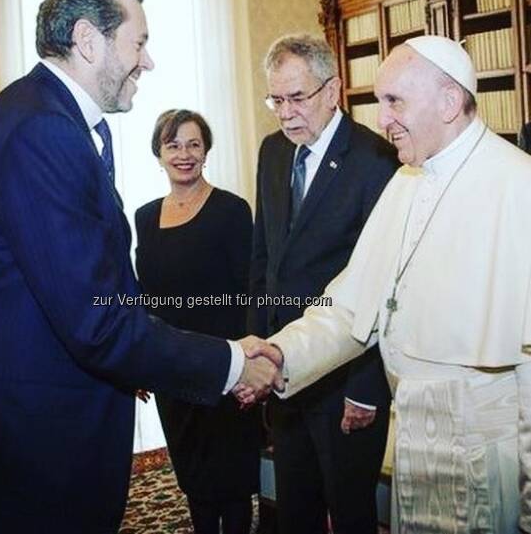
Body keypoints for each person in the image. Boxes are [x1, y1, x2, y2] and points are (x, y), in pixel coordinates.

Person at [0, 0, 281, 534]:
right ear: (89, 40)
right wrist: (231, 362)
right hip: (26, 437)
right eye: (140, 42)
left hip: (41, 419)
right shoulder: (41, 129)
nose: (148, 61)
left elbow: (98, 277)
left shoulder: (61, 120)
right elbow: (94, 320)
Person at [240, 35, 531, 534]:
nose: (382, 120)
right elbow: (351, 307)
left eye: (395, 101)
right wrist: (280, 354)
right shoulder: (406, 181)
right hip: (416, 431)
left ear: (448, 101)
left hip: (488, 449)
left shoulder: (517, 185)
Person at [248, 33, 398, 534]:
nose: (286, 113)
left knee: (351, 510)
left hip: (343, 378)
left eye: (297, 98)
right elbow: (263, 260)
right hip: (286, 370)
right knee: (296, 508)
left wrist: (366, 389)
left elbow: (384, 286)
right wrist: (258, 352)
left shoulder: (376, 161)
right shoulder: (272, 152)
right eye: (276, 100)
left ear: (332, 91)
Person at [135, 109, 261, 534]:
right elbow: (144, 297)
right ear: (159, 153)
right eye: (173, 145)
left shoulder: (232, 210)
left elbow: (251, 293)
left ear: (206, 151)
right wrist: (139, 360)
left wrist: (250, 367)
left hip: (227, 367)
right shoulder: (145, 217)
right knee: (195, 481)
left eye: (193, 144)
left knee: (233, 483)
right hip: (174, 369)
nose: (184, 154)